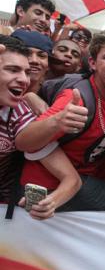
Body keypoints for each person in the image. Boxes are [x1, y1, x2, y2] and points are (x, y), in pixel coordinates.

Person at [16, 27, 105, 212]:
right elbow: (23, 141)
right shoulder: (77, 98)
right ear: (92, 63)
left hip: (79, 180)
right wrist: (57, 120)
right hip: (44, 187)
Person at [0, 36, 80, 219]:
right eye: (12, 70)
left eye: (26, 72)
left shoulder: (20, 114)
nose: (23, 80)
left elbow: (72, 179)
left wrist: (50, 202)